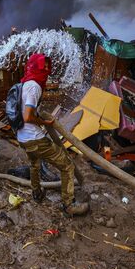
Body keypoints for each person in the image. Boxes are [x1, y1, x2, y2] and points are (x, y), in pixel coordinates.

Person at [17, 53, 89, 217]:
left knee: (34, 164)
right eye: (44, 66)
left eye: (48, 65)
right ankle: (69, 205)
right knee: (67, 166)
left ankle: (36, 193)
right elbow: (27, 116)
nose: (48, 69)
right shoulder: (34, 86)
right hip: (34, 138)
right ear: (36, 66)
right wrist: (45, 123)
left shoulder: (25, 83)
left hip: (22, 137)